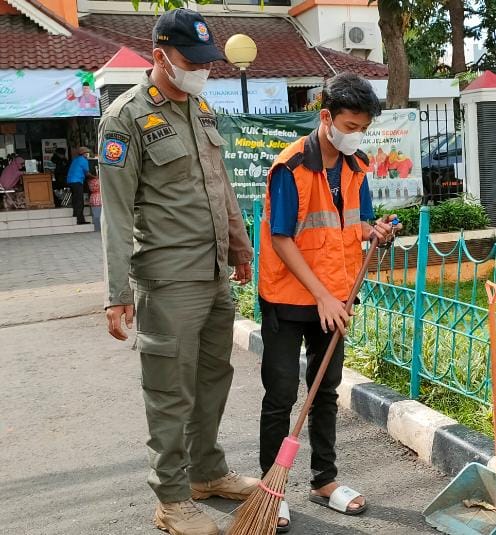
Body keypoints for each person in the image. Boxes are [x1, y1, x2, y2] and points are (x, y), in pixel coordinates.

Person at [98, 9, 257, 535]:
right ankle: (170, 499)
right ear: (160, 54)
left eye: (208, 62)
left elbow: (222, 185)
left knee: (213, 379)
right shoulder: (125, 118)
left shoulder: (203, 110)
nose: (203, 70)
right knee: (169, 391)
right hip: (167, 279)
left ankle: (206, 474)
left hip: (213, 272)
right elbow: (116, 213)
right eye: (193, 61)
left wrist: (240, 247)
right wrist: (116, 291)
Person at [257, 73, 397, 531]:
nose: (356, 135)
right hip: (290, 297)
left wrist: (373, 232)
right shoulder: (291, 166)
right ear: (326, 117)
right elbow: (282, 239)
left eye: (363, 128)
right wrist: (320, 296)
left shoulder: (356, 169)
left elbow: (354, 224)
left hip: (335, 298)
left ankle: (325, 481)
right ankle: (270, 489)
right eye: (350, 125)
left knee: (326, 393)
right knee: (281, 395)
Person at [66, 147, 95, 224]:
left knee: (75, 199)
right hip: (77, 181)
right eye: (87, 153)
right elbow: (87, 173)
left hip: (70, 181)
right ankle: (80, 220)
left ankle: (75, 214)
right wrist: (95, 177)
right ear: (84, 153)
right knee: (79, 201)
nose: (88, 154)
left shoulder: (76, 159)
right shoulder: (83, 160)